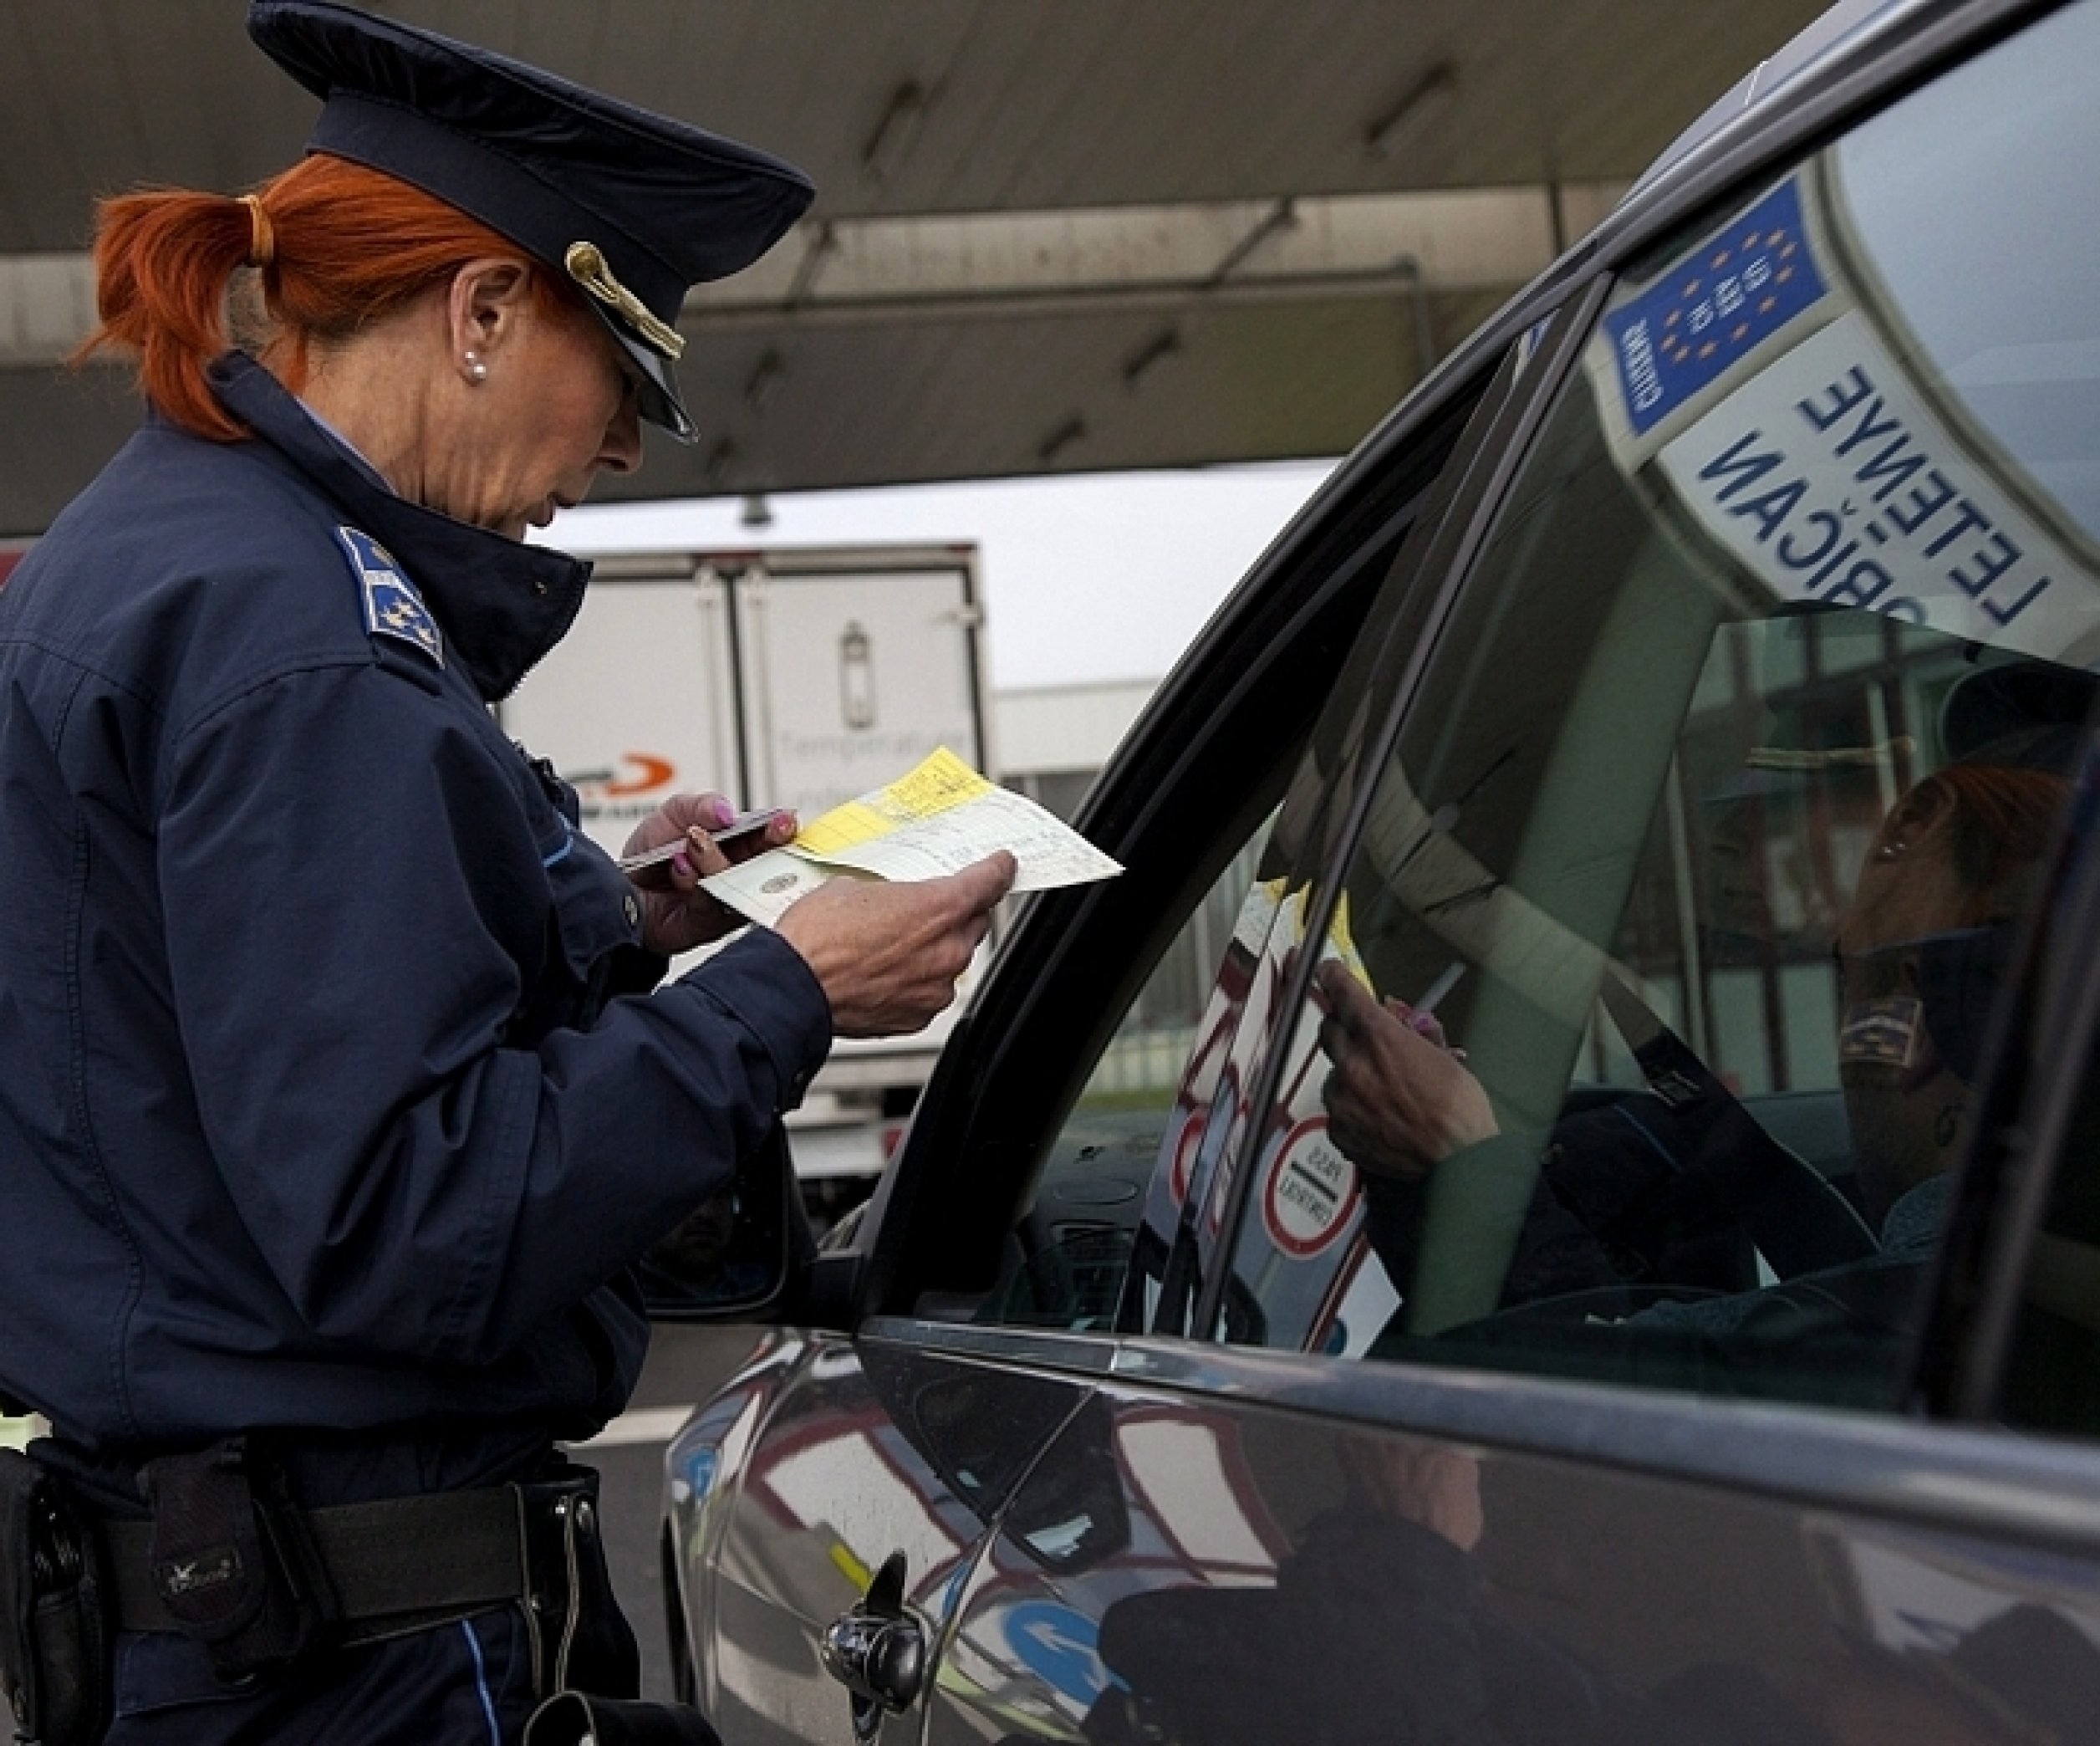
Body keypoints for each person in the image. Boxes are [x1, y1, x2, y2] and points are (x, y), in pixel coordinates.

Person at [0, 4, 1012, 1741]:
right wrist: (790, 991)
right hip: (356, 1651)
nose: (619, 447)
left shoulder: (179, 557)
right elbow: (412, 1220)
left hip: (231, 1612)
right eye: (620, 377)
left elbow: (226, 1025)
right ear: (479, 314)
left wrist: (624, 916)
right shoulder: (302, 640)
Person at [1312, 667, 2078, 1370]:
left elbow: (1598, 1418)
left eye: (1856, 978)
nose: (1727, 843)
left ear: (1925, 1029)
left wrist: (1461, 1166)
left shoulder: (1902, 1345)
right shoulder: (2018, 1298)